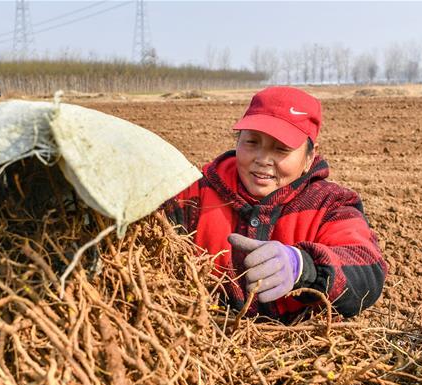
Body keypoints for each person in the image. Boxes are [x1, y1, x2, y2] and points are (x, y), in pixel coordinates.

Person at [164, 86, 386, 321]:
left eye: (281, 149)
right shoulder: (194, 194)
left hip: (299, 349)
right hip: (204, 338)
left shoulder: (330, 205)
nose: (262, 159)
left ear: (310, 157)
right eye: (251, 142)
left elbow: (368, 268)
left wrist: (304, 267)